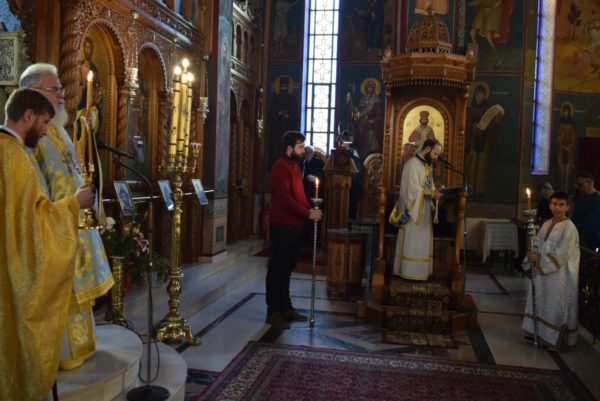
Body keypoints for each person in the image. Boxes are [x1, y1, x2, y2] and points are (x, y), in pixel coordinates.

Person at [0, 88, 95, 401]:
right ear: (28, 116)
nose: (44, 132)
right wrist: (74, 204)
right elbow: (34, 223)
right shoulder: (15, 158)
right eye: (43, 123)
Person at [20, 63, 114, 371]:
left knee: (78, 288)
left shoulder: (59, 129)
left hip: (75, 223)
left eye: (61, 88)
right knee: (62, 289)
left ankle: (81, 347)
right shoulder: (29, 136)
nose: (61, 94)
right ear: (32, 93)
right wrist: (70, 206)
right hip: (53, 229)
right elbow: (33, 192)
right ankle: (60, 354)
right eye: (54, 89)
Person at [267, 131, 323, 329]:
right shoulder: (280, 168)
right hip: (283, 226)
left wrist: (311, 208)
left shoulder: (295, 166)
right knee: (278, 268)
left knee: (288, 268)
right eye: (300, 147)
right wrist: (307, 213)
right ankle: (273, 311)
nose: (303, 151)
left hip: (295, 225)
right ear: (289, 148)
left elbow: (299, 196)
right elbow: (285, 200)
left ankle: (286, 307)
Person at [522, 191, 580, 350]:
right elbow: (538, 242)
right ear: (549, 206)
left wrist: (540, 259)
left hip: (559, 275)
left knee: (555, 304)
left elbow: (563, 253)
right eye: (554, 204)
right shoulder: (547, 223)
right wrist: (532, 253)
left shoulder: (570, 228)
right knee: (542, 300)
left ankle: (554, 338)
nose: (557, 208)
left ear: (567, 207)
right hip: (543, 272)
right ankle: (538, 333)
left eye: (561, 205)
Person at [393, 138, 444, 280]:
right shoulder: (412, 165)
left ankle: (421, 273)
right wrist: (432, 194)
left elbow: (429, 187)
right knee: (413, 242)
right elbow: (412, 192)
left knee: (422, 243)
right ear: (427, 149)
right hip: (412, 213)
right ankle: (409, 272)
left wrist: (437, 192)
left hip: (424, 210)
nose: (436, 158)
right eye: (435, 154)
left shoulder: (426, 166)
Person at [268, 76, 299, 168]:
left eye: (285, 87)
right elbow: (271, 114)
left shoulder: (291, 99)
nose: (284, 88)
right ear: (280, 87)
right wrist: (279, 113)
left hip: (288, 129)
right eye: (282, 86)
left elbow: (295, 115)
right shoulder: (276, 98)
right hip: (277, 131)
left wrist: (288, 116)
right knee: (276, 150)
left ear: (288, 87)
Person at [571, 172, 600, 250]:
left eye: (580, 184)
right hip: (579, 237)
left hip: (590, 240)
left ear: (590, 182)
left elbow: (591, 224)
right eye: (576, 185)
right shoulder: (582, 198)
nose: (578, 187)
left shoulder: (597, 199)